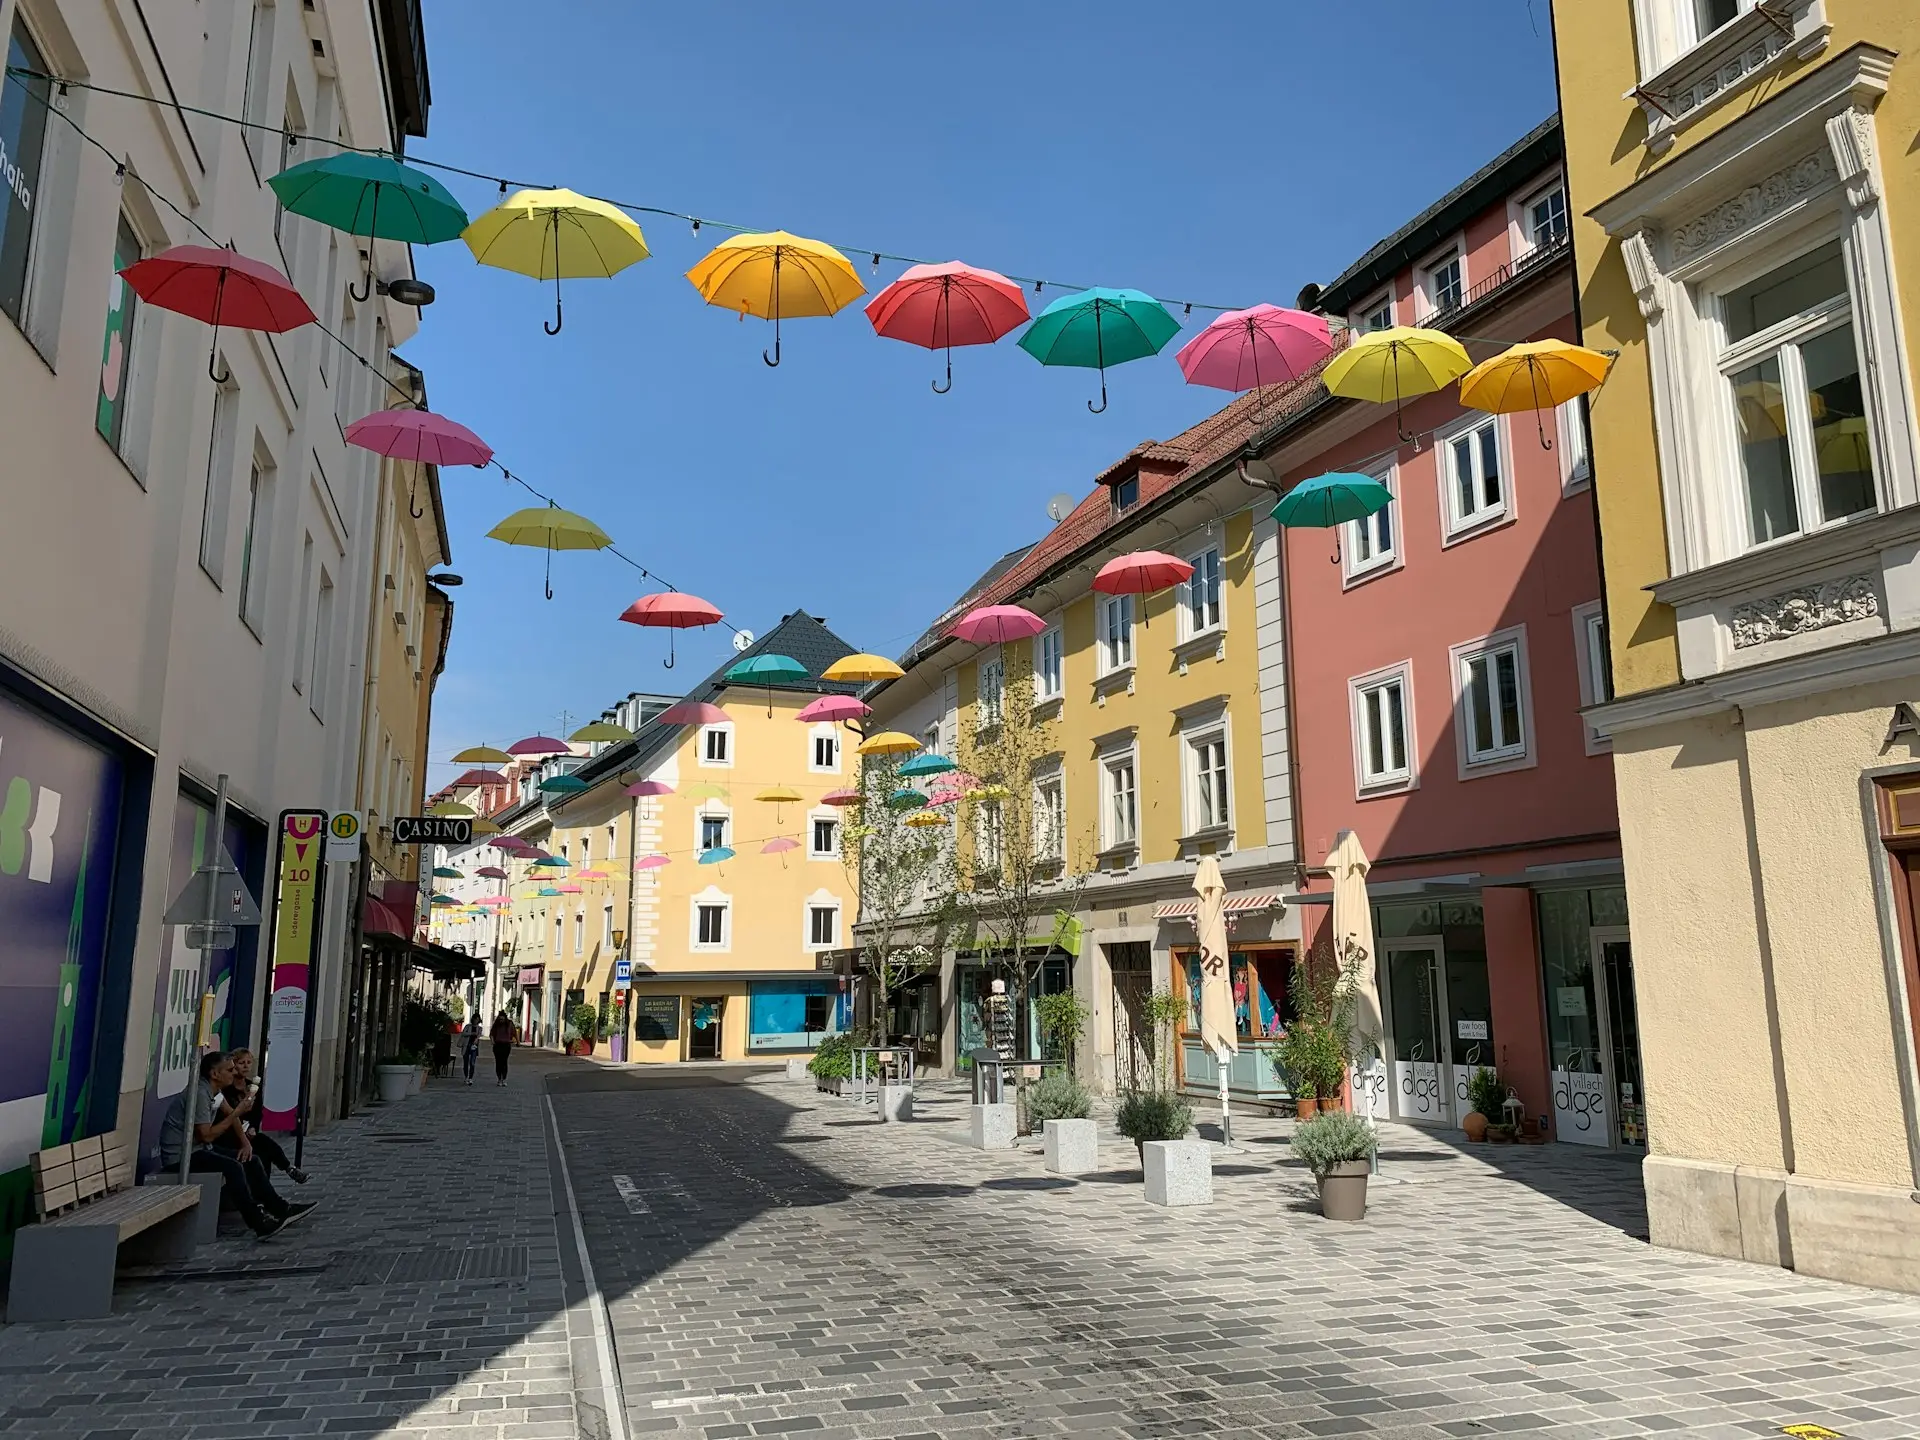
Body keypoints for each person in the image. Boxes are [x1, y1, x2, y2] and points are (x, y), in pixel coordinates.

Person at [159, 1052, 315, 1239]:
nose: (234, 1073)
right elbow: (206, 1135)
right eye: (229, 1070)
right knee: (233, 1167)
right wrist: (238, 1112)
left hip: (199, 1149)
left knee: (251, 1159)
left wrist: (245, 1143)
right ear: (214, 1074)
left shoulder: (216, 1092)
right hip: (181, 1156)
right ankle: (258, 1222)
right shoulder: (200, 1093)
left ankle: (280, 1208)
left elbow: (231, 1115)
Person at [221, 1049, 308, 1185]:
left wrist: (253, 1127)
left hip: (249, 1131)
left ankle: (286, 1170)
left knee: (265, 1149)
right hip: (231, 1133)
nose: (245, 1066)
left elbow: (257, 1113)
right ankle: (287, 1170)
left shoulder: (253, 1086)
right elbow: (228, 1114)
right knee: (261, 1147)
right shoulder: (226, 1089)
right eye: (241, 1063)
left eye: (249, 1062)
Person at [489, 1011, 516, 1086]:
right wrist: (492, 1041)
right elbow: (491, 1034)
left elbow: (514, 1032)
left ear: (505, 1019)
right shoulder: (496, 1025)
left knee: (504, 1062)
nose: (501, 1021)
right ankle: (499, 1079)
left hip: (506, 1045)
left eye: (502, 1019)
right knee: (498, 1062)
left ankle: (504, 1079)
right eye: (500, 1019)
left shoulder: (509, 1024)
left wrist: (516, 1041)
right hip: (497, 1044)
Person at [461, 1015, 482, 1086]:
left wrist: (476, 1039)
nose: (476, 1021)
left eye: (477, 1019)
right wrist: (471, 1033)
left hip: (474, 1046)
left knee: (472, 1063)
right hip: (466, 1045)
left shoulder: (479, 1028)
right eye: (475, 1019)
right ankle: (466, 1077)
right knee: (465, 1062)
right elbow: (463, 1033)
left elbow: (479, 1035)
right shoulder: (468, 1026)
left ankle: (470, 1078)